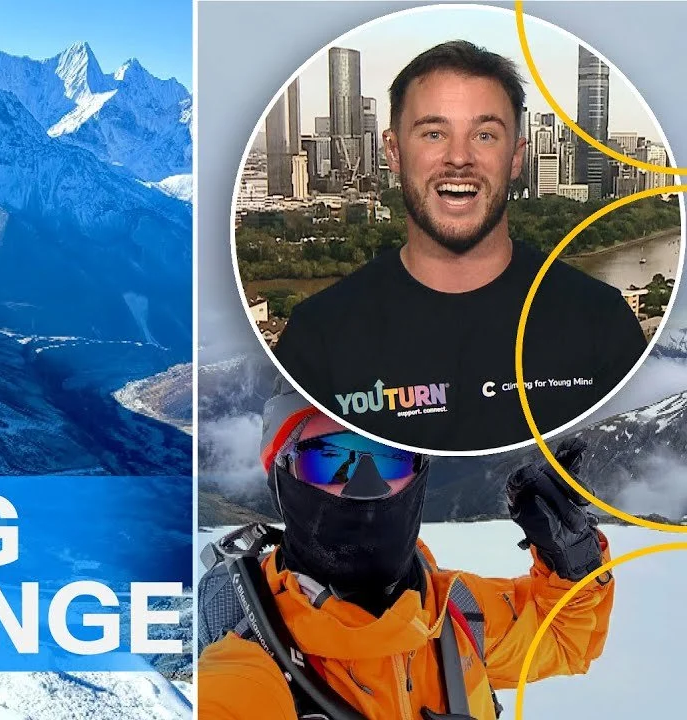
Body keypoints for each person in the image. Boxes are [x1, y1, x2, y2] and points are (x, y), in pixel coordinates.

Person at [273, 40, 645, 451]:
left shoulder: (601, 324)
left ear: (517, 157)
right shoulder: (318, 339)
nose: (459, 158)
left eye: (484, 135)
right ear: (393, 151)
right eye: (434, 133)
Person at [197, 380, 613, 719]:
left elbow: (562, 638)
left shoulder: (459, 613)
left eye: (389, 456)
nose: (366, 485)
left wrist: (574, 560)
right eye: (328, 459)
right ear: (280, 478)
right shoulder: (247, 671)